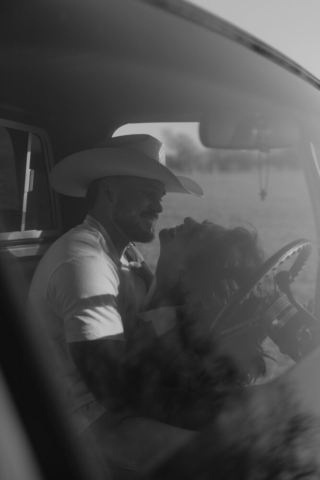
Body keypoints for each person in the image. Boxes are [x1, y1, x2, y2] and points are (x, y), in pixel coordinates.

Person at [27, 134, 204, 478]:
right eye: (147, 194)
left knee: (247, 411)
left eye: (160, 196)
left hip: (125, 404)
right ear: (109, 192)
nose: (159, 207)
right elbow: (113, 388)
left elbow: (146, 336)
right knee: (225, 457)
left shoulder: (125, 255)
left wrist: (170, 276)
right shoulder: (84, 261)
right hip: (83, 426)